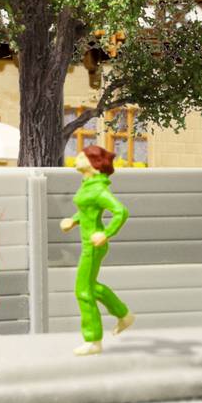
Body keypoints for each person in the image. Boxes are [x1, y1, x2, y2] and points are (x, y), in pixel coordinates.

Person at [62, 138, 131, 353]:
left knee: (83, 291)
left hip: (93, 245)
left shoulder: (99, 189)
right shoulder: (89, 186)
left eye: (82, 156)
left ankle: (93, 341)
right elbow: (87, 211)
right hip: (88, 243)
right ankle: (123, 314)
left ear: (94, 162)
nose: (77, 158)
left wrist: (106, 233)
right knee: (90, 287)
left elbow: (121, 211)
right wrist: (74, 220)